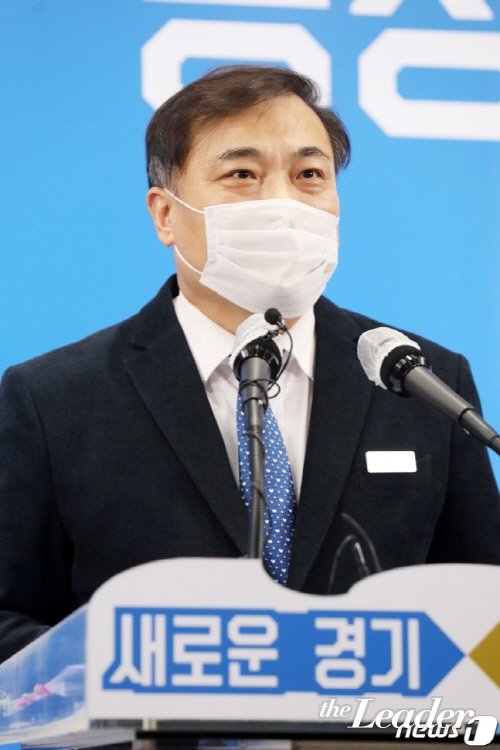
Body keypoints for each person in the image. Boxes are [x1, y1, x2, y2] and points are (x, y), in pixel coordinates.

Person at [0, 66, 498, 664]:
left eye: (309, 175)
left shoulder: (422, 380)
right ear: (164, 214)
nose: (283, 203)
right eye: (242, 174)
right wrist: (132, 672)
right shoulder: (54, 398)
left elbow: (485, 609)